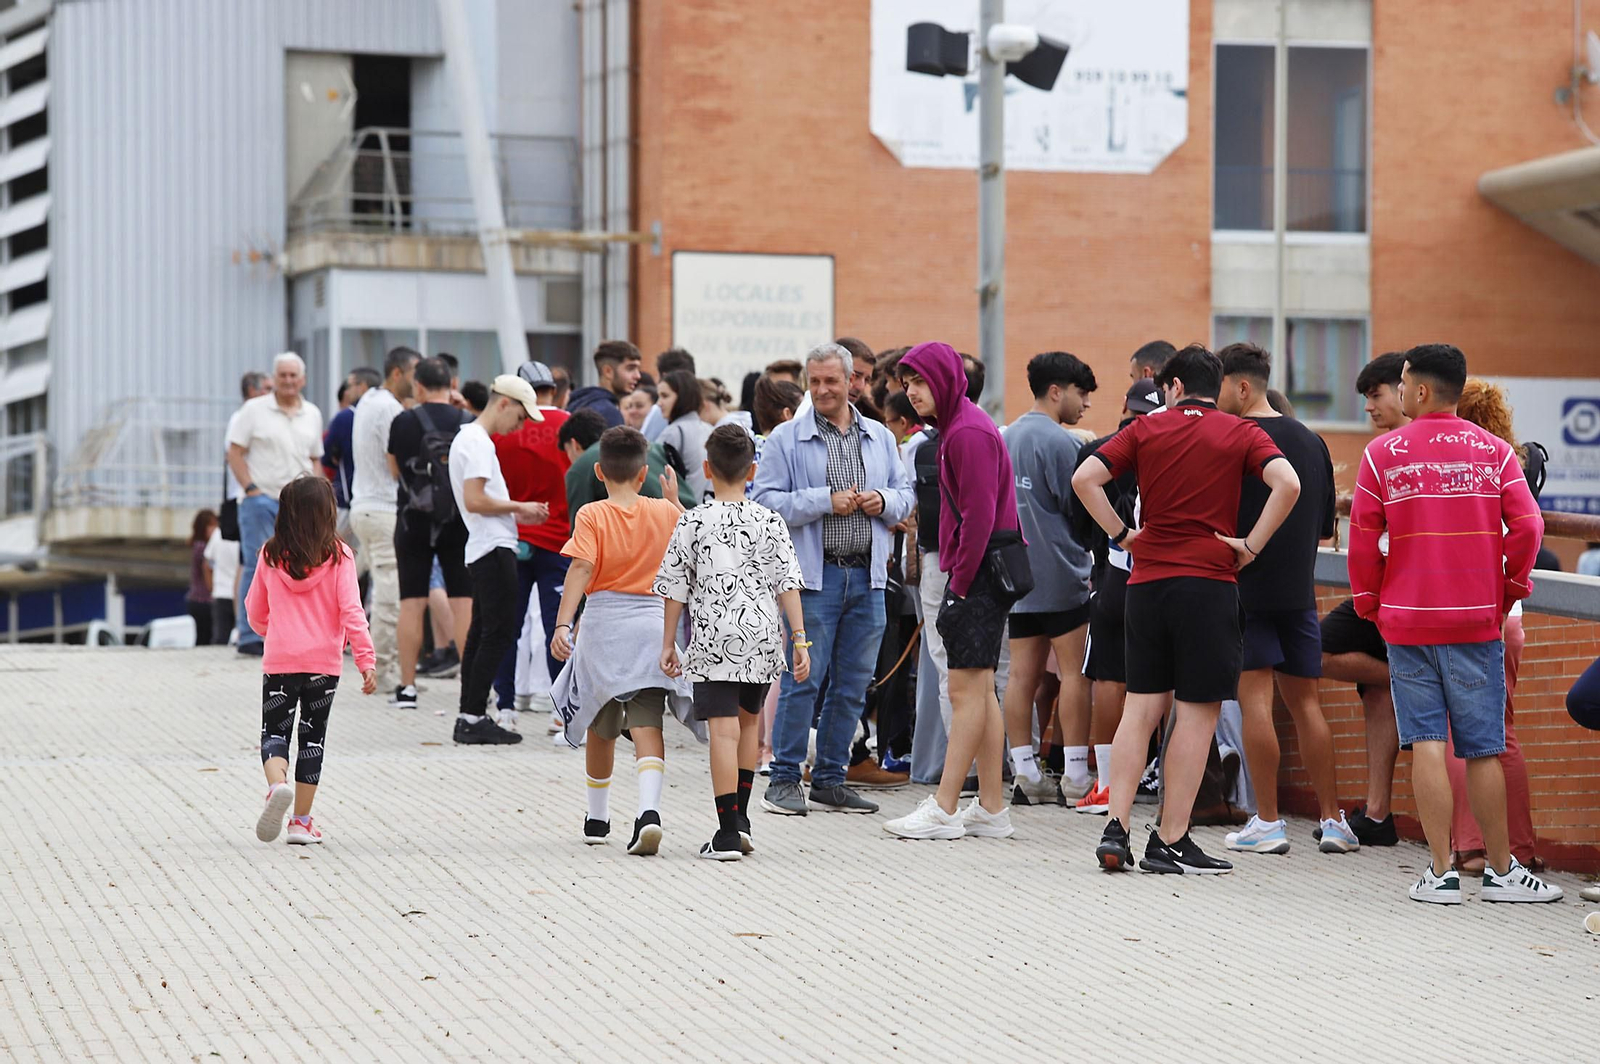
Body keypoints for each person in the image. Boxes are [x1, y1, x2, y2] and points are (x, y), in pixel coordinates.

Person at [1073, 343, 1300, 875]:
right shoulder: (1242, 432)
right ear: (1216, 385)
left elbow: (1086, 477)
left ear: (1172, 387)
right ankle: (1171, 837)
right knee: (1197, 713)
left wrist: (1122, 534)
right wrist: (1251, 544)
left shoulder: (1146, 428)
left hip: (1146, 584)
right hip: (1208, 583)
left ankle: (1117, 825)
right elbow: (1287, 483)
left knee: (1141, 709)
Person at [1348, 343, 1560, 905]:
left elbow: (1364, 540)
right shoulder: (1493, 452)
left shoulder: (1382, 455)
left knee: (1427, 743)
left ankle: (1440, 872)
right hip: (1475, 621)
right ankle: (1499, 871)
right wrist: (1508, 588)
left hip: (1407, 624)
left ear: (1418, 390)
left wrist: (1370, 604)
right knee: (1484, 748)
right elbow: (1530, 527)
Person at [752, 342, 915, 816]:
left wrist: (883, 502)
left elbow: (904, 495)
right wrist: (825, 499)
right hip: (814, 580)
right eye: (815, 381)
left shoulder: (880, 437)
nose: (823, 389)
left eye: (832, 381)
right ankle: (783, 778)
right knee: (804, 679)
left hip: (868, 577)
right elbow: (764, 501)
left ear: (852, 383)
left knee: (854, 686)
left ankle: (829, 778)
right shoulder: (786, 438)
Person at [1212, 343, 1355, 856]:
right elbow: (1322, 528)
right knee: (1306, 704)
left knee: (1255, 702)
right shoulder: (1313, 442)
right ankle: (1334, 820)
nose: (1217, 395)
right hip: (1299, 591)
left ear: (1242, 386)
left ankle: (1268, 822)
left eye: (1221, 384)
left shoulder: (1232, 438)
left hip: (1245, 589)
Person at [884, 341, 1022, 840]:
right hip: (979, 572)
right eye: (907, 384)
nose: (911, 392)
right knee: (980, 690)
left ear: (942, 379)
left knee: (965, 689)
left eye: (919, 382)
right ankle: (990, 807)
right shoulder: (960, 427)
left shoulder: (966, 432)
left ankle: (944, 807)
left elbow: (981, 515)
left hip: (978, 573)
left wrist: (959, 587)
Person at [657, 424, 811, 859]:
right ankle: (741, 820)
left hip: (713, 638)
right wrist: (800, 640)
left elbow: (674, 588)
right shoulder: (770, 520)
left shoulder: (692, 521)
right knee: (748, 725)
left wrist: (668, 643)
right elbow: (788, 584)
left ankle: (725, 832)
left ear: (706, 469)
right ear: (753, 470)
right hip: (762, 638)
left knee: (721, 733)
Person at [551, 427, 693, 855]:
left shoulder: (592, 515)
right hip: (652, 624)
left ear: (599, 470)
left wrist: (563, 623)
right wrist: (674, 502)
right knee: (648, 721)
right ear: (643, 471)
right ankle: (649, 811)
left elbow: (580, 567)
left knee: (601, 722)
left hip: (604, 627)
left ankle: (597, 817)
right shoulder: (664, 513)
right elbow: (692, 538)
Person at [1442, 377, 1545, 871]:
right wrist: (1510, 593)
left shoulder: (1447, 472)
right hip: (1507, 617)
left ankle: (1471, 847)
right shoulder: (1511, 468)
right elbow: (1528, 529)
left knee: (1458, 737)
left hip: (1459, 616)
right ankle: (1520, 850)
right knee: (1503, 736)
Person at [246, 476, 377, 846]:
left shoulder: (270, 554)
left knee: (274, 733)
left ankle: (276, 787)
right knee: (312, 739)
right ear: (328, 514)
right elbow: (353, 611)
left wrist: (270, 631)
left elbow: (255, 610)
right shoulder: (339, 555)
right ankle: (301, 823)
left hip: (281, 660)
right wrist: (366, 660)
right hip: (324, 665)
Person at [1319, 351, 1411, 846]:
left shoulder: (1408, 449)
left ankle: (1407, 677)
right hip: (1378, 594)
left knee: (1311, 651)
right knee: (1377, 695)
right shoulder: (1386, 448)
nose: (1368, 408)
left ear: (1406, 390)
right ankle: (1378, 816)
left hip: (1403, 598)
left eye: (1374, 396)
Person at [1001, 351, 1098, 808]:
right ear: (1056, 391)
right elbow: (1079, 510)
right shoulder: (1064, 445)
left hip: (1017, 577)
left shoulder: (1004, 437)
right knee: (1075, 674)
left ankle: (1024, 772)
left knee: (1021, 675)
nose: (1086, 405)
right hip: (1062, 574)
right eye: (1081, 394)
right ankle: (1077, 776)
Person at [1071, 379, 1164, 812]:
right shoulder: (1172, 446)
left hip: (1112, 570)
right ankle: (1152, 773)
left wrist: (1115, 536)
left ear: (1124, 405)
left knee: (1109, 676)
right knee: (1158, 679)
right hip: (1164, 575)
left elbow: (1075, 515)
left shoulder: (1100, 451)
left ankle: (1108, 782)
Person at [447, 375, 548, 746]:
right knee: (498, 632)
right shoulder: (476, 442)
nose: (519, 426)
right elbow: (475, 499)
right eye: (520, 417)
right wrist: (520, 507)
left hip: (484, 544)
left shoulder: (470, 439)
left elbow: (475, 500)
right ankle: (472, 715)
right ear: (503, 403)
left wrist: (516, 512)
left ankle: (469, 713)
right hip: (492, 545)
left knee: (482, 632)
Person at [387, 356, 474, 710]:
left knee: (411, 602)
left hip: (412, 520)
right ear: (452, 385)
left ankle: (407, 688)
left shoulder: (403, 421)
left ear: (418, 386)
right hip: (457, 521)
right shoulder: (468, 422)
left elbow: (394, 471)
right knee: (464, 602)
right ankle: (471, 685)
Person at [491, 361, 573, 729]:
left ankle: (504, 707)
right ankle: (561, 709)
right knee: (559, 625)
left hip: (512, 536)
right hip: (559, 539)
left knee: (508, 624)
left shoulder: (502, 430)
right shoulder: (570, 427)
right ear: (555, 390)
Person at [228, 353, 325, 657]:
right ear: (274, 378)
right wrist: (251, 489)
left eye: (293, 375)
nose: (288, 381)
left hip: (298, 505)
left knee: (302, 566)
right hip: (262, 499)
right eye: (282, 375)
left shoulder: (312, 413)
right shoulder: (254, 410)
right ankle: (249, 635)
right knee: (258, 565)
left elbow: (315, 459)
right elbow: (234, 451)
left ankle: (294, 632)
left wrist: (316, 497)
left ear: (303, 379)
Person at [349, 347, 420, 704]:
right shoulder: (390, 408)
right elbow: (398, 463)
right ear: (397, 373)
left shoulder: (368, 401)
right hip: (382, 508)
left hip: (363, 506)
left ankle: (375, 661)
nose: (418, 380)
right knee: (390, 592)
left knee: (367, 584)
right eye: (414, 372)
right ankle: (385, 670)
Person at [561, 409, 697, 517]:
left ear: (574, 444)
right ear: (643, 472)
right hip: (687, 514)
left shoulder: (579, 468)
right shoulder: (651, 447)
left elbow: (578, 537)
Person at [322, 367, 379, 550]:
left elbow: (327, 456)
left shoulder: (346, 417)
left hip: (349, 499)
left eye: (350, 385)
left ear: (362, 386)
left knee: (335, 552)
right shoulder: (387, 411)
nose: (347, 391)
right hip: (380, 501)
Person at [658, 371, 713, 503]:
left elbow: (657, 477)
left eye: (665, 396)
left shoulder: (673, 432)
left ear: (682, 397)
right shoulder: (711, 429)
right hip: (710, 511)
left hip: (682, 511)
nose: (659, 403)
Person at [566, 340, 641, 428]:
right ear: (608, 372)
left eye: (638, 369)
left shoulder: (577, 404)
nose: (638, 376)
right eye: (630, 368)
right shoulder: (609, 413)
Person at [204, 514, 241, 644]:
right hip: (240, 594)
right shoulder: (244, 534)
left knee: (220, 637)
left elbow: (207, 563)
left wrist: (211, 587)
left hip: (220, 592)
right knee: (241, 635)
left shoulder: (217, 534)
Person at [642, 348, 694, 440]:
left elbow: (646, 445)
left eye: (665, 396)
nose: (660, 403)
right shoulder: (705, 411)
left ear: (665, 377)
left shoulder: (660, 411)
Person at [186, 510, 218, 647]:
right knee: (206, 636)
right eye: (212, 526)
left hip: (195, 598)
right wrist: (212, 589)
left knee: (202, 635)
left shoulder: (197, 545)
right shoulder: (203, 547)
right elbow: (207, 568)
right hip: (203, 599)